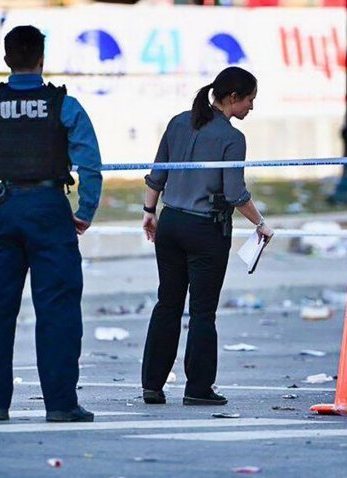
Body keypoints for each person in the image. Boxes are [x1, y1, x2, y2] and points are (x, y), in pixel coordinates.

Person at [0, 26, 102, 422]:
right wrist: (84, 211)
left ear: (6, 60)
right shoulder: (63, 105)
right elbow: (89, 164)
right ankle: (61, 405)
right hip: (50, 209)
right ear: (41, 59)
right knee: (58, 310)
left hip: (2, 210)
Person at [140, 67, 274, 406]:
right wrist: (261, 223)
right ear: (233, 98)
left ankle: (152, 384)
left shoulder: (178, 122)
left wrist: (149, 213)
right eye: (250, 100)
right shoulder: (232, 138)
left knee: (167, 304)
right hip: (206, 229)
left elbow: (157, 175)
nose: (251, 108)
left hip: (170, 223)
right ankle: (198, 388)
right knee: (202, 312)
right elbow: (234, 193)